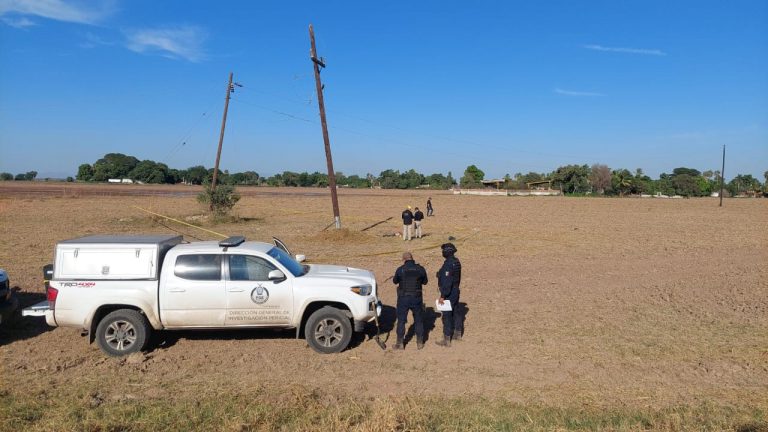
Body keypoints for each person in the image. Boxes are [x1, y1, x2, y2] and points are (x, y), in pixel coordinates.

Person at [392, 252, 428, 350]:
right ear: (412, 258)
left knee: (401, 321)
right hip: (417, 298)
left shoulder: (400, 269)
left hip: (403, 298)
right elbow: (425, 282)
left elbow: (395, 281)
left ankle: (400, 344)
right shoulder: (420, 269)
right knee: (418, 320)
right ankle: (420, 343)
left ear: (404, 259)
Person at [435, 242, 462, 347]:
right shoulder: (457, 261)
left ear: (447, 252)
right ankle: (458, 333)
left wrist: (442, 296)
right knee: (456, 312)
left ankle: (446, 340)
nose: (442, 253)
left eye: (443, 251)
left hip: (449, 292)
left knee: (446, 315)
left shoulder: (448, 264)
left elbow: (447, 282)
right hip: (455, 290)